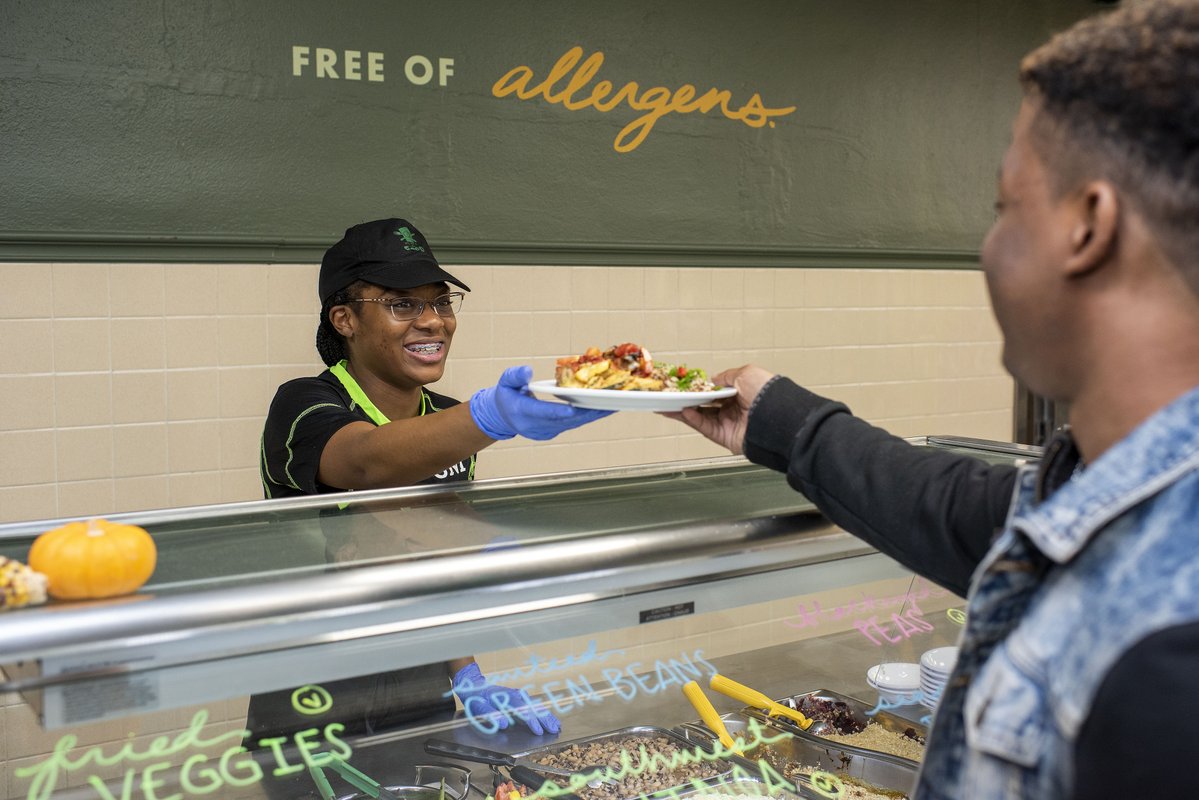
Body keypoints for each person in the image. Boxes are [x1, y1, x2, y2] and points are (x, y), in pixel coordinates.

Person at [670, 2, 1199, 798]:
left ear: (1087, 227)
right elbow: (966, 512)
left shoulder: (1165, 664)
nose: (987, 247)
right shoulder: (1116, 485)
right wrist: (779, 418)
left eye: (1003, 208)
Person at [252, 218, 610, 751]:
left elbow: (439, 567)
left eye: (440, 303)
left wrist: (467, 676)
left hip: (421, 688)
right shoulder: (305, 403)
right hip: (315, 695)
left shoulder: (445, 421)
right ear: (344, 319)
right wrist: (489, 416)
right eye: (403, 305)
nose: (432, 322)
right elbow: (366, 462)